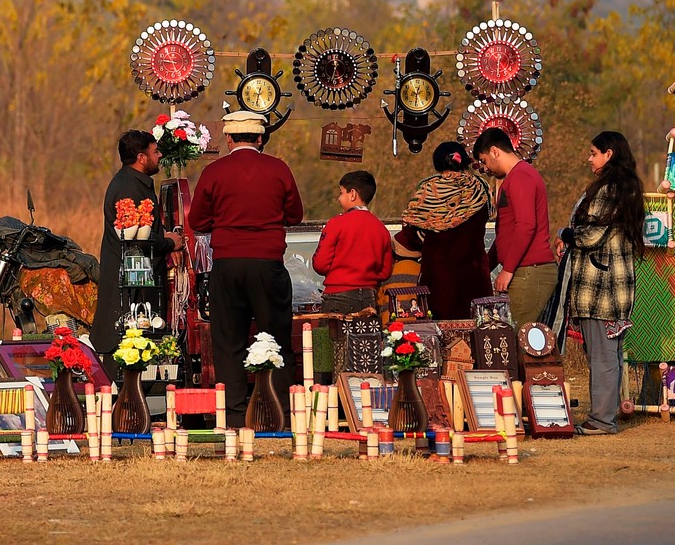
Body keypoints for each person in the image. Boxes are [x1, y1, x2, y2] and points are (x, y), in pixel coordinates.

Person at [188, 110, 304, 419]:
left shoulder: (214, 172)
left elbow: (197, 220)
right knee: (276, 338)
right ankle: (278, 412)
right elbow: (295, 216)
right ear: (261, 137)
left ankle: (236, 414)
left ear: (228, 138)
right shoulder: (278, 169)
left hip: (227, 265)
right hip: (268, 264)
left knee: (229, 342)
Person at [554, 131, 645, 436]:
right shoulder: (624, 187)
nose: (589, 158)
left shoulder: (611, 190)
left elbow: (592, 235)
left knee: (603, 357)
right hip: (612, 287)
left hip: (601, 289)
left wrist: (567, 234)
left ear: (609, 154)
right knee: (607, 356)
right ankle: (603, 416)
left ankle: (602, 420)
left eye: (594, 153)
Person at [92, 129, 183, 381]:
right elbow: (136, 239)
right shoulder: (128, 189)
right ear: (141, 158)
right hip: (129, 279)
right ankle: (124, 401)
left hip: (137, 275)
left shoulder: (134, 183)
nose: (159, 155)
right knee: (127, 333)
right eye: (155, 152)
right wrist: (168, 243)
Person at [396, 141, 493, 320]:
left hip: (438, 281)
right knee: (478, 337)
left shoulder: (427, 192)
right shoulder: (481, 189)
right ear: (463, 161)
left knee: (439, 341)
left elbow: (411, 234)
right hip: (475, 279)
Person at [472, 127, 558, 327]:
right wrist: (487, 266)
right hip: (523, 269)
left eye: (484, 161)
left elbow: (526, 225)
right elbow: (505, 233)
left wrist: (508, 269)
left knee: (515, 335)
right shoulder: (514, 178)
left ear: (495, 151)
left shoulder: (521, 177)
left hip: (529, 270)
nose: (486, 169)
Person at [312, 170, 393, 315]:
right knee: (366, 337)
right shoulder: (381, 229)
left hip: (337, 296)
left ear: (353, 194)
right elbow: (385, 271)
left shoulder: (336, 223)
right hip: (369, 296)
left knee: (333, 337)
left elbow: (320, 264)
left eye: (341, 192)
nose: (339, 198)